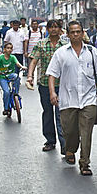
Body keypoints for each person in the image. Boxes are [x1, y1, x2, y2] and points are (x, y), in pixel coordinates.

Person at [47, 20, 97, 176]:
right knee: (70, 131)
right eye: (72, 32)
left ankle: (85, 163)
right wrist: (53, 92)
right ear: (67, 34)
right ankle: (70, 149)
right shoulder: (61, 53)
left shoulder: (93, 52)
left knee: (86, 132)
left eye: (78, 31)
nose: (75, 35)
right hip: (68, 100)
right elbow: (52, 74)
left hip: (88, 99)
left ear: (83, 33)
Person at [26, 19, 68, 153]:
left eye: (56, 27)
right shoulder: (41, 44)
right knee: (48, 113)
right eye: (51, 27)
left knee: (61, 114)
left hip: (62, 84)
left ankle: (64, 144)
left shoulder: (66, 45)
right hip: (44, 83)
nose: (54, 29)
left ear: (60, 29)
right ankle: (50, 140)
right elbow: (33, 61)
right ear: (47, 29)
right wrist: (30, 76)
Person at [0, 42, 23, 116]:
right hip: (2, 76)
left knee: (17, 77)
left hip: (10, 75)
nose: (9, 50)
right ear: (4, 49)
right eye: (8, 48)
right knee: (6, 92)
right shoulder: (0, 58)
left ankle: (16, 93)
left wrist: (22, 67)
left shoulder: (13, 57)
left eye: (11, 48)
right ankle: (6, 108)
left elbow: (17, 64)